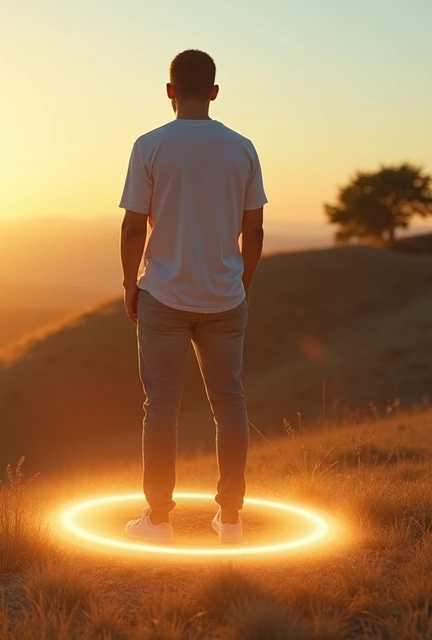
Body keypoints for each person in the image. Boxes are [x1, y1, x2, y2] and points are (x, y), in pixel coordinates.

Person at [118, 49, 266, 544]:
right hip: (225, 296)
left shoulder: (150, 145)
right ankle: (231, 520)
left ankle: (158, 521)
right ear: (216, 92)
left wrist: (128, 284)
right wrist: (240, 284)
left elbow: (132, 224)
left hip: (163, 293)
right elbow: (255, 228)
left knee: (161, 407)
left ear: (170, 91)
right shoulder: (242, 148)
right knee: (231, 404)